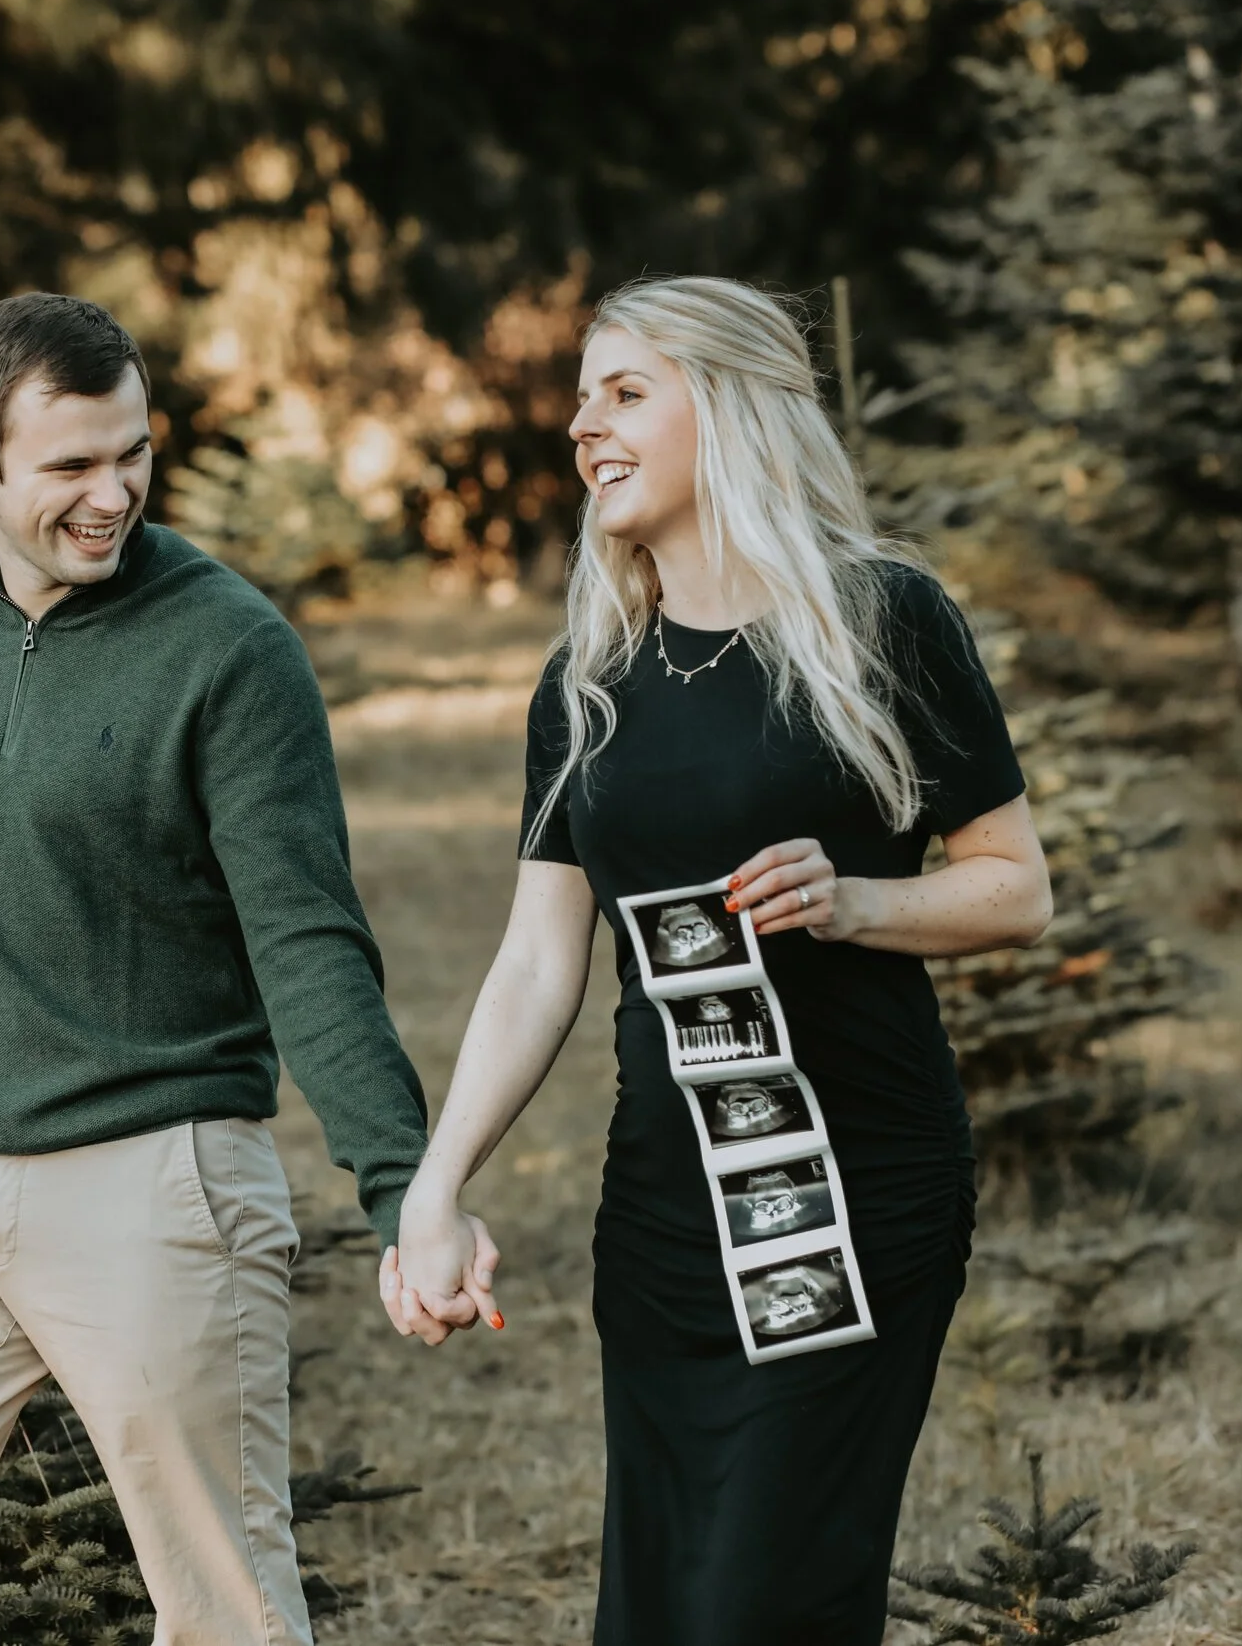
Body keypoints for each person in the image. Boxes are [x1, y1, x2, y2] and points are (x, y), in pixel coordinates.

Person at [382, 275, 1053, 1645]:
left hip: (857, 1200)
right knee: (663, 1610)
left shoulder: (885, 620)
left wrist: (860, 902)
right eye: (583, 397)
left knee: (767, 1603)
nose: (586, 426)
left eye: (626, 391)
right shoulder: (587, 681)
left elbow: (1015, 887)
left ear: (733, 408)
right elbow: (533, 966)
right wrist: (434, 1187)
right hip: (668, 1221)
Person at [0, 292, 429, 1646]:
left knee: (226, 1613)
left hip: (152, 1183)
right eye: (69, 465)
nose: (112, 494)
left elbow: (305, 938)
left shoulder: (227, 646)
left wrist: (406, 1183)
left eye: (132, 453)